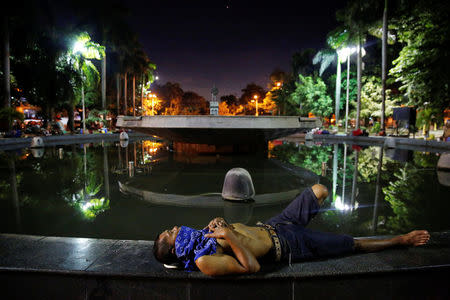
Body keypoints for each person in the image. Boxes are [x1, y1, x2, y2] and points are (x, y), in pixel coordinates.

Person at [153, 184, 430, 276]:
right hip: (289, 246)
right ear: (175, 249)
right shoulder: (203, 261)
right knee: (352, 244)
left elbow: (236, 231)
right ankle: (401, 239)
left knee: (320, 190)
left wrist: (221, 224)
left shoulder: (202, 237)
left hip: (276, 224)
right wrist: (230, 235)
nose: (174, 227)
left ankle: (321, 234)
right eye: (170, 233)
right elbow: (251, 268)